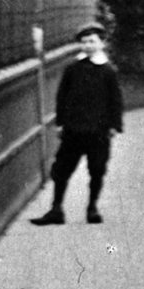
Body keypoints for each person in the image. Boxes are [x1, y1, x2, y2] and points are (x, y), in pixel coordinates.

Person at [32, 20, 124, 225]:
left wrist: (114, 125)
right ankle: (56, 209)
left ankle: (92, 207)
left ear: (101, 43)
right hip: (74, 129)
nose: (88, 45)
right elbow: (62, 96)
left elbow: (115, 100)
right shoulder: (73, 68)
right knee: (62, 169)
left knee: (97, 169)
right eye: (84, 42)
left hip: (98, 130)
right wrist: (60, 122)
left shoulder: (108, 71)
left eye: (92, 41)